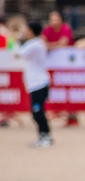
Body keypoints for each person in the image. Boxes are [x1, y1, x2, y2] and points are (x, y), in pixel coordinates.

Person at [19, 20, 53, 148]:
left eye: (26, 29)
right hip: (35, 83)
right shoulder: (36, 43)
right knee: (36, 112)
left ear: (31, 31)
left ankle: (46, 136)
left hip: (39, 83)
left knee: (38, 112)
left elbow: (18, 52)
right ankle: (42, 135)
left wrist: (15, 37)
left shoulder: (35, 44)